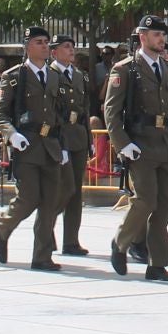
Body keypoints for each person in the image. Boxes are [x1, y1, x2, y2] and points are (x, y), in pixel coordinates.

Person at [105, 16, 168, 282]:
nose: (161, 39)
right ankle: (121, 241)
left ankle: (157, 265)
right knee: (145, 200)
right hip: (140, 143)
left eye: (163, 34)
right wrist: (123, 144)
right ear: (142, 37)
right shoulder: (126, 69)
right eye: (155, 34)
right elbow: (111, 112)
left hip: (166, 144)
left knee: (164, 206)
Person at [0, 27, 73, 271]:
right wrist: (12, 134)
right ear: (26, 47)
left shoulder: (55, 76)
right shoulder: (14, 76)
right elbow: (0, 114)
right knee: (28, 198)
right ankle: (2, 226)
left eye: (46, 42)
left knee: (50, 202)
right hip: (27, 145)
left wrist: (63, 146)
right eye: (39, 42)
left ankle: (42, 256)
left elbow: (60, 115)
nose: (45, 46)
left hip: (51, 145)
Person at [46, 34, 94, 256]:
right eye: (66, 47)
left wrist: (90, 139)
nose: (71, 50)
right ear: (54, 52)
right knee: (64, 189)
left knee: (76, 192)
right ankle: (45, 228)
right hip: (60, 136)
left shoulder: (79, 75)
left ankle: (71, 241)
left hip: (78, 136)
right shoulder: (49, 74)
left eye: (72, 46)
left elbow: (85, 109)